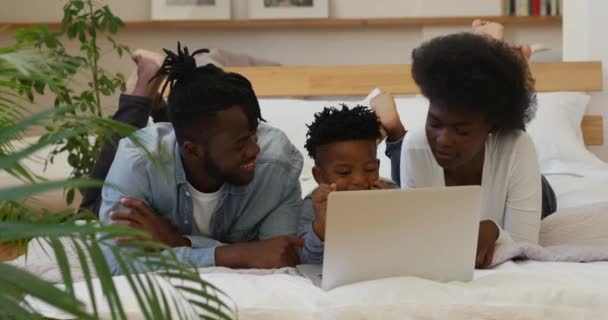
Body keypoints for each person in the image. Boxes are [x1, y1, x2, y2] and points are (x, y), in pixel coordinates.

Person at [98, 43, 306, 275]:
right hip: (159, 157)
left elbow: (280, 257)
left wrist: (178, 242)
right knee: (88, 208)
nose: (254, 150)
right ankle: (147, 91)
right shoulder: (138, 162)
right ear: (193, 150)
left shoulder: (278, 166)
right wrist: (234, 254)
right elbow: (117, 266)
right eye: (240, 144)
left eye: (253, 135)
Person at [374, 31, 552, 269]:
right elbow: (419, 237)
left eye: (462, 130)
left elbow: (526, 245)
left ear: (491, 126)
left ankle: (517, 65)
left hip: (540, 193)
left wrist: (494, 230)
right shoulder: (415, 146)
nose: (443, 140)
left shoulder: (517, 147)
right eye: (435, 123)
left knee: (545, 199)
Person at [298, 105, 396, 264]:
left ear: (377, 166)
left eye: (369, 169)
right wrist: (322, 227)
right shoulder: (314, 206)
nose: (359, 180)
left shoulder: (390, 194)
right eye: (344, 172)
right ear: (320, 176)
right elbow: (308, 262)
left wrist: (390, 213)